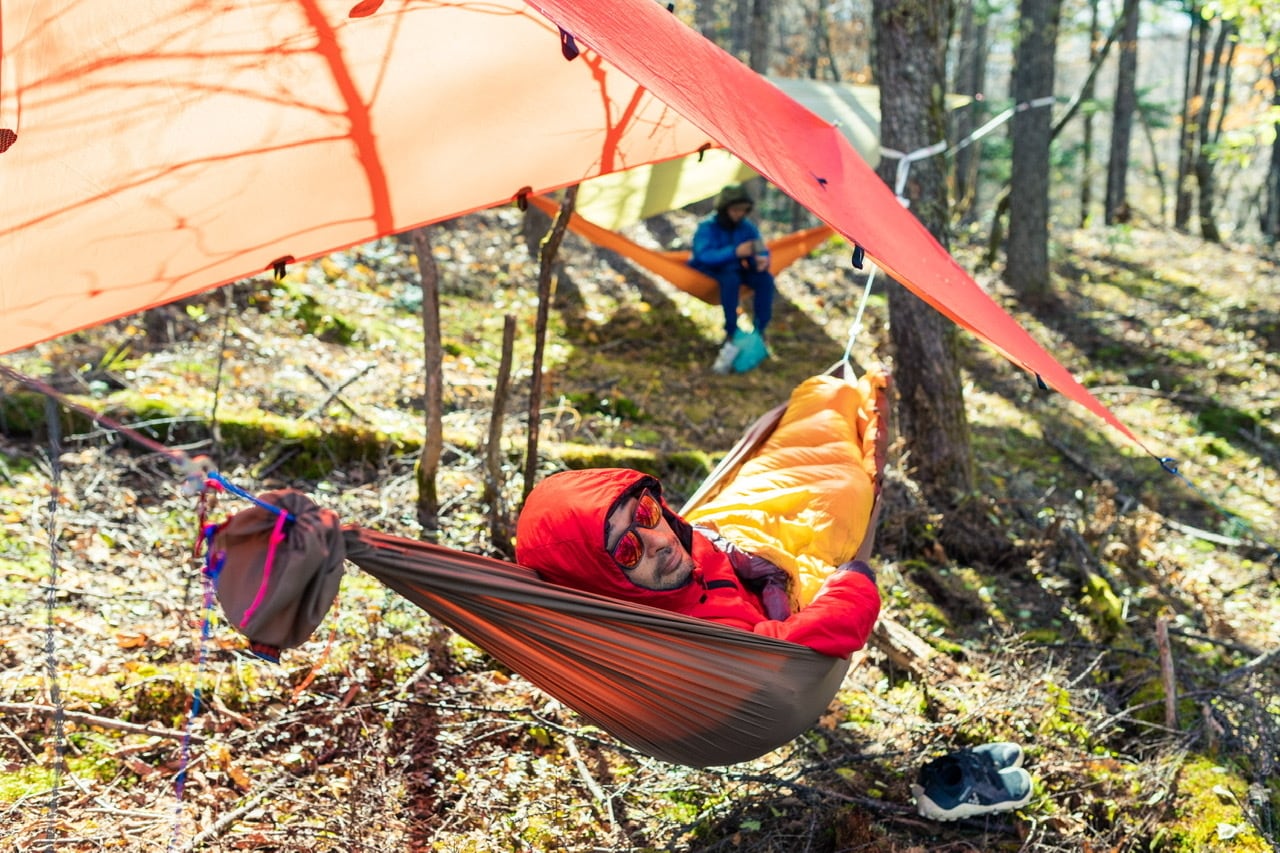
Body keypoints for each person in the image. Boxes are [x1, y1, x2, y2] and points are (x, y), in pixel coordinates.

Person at [514, 467, 881, 659]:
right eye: (627, 549)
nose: (658, 539)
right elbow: (800, 643)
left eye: (645, 511)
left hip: (743, 528)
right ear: (600, 581)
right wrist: (854, 580)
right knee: (848, 486)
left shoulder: (678, 544)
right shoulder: (694, 646)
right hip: (800, 554)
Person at [689, 184, 776, 374]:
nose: (739, 214)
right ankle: (731, 332)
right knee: (730, 279)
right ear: (724, 208)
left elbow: (761, 248)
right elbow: (702, 255)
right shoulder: (707, 227)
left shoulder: (747, 228)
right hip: (710, 272)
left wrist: (762, 260)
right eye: (735, 210)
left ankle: (760, 331)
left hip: (739, 268)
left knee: (765, 280)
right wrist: (734, 252)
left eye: (743, 210)